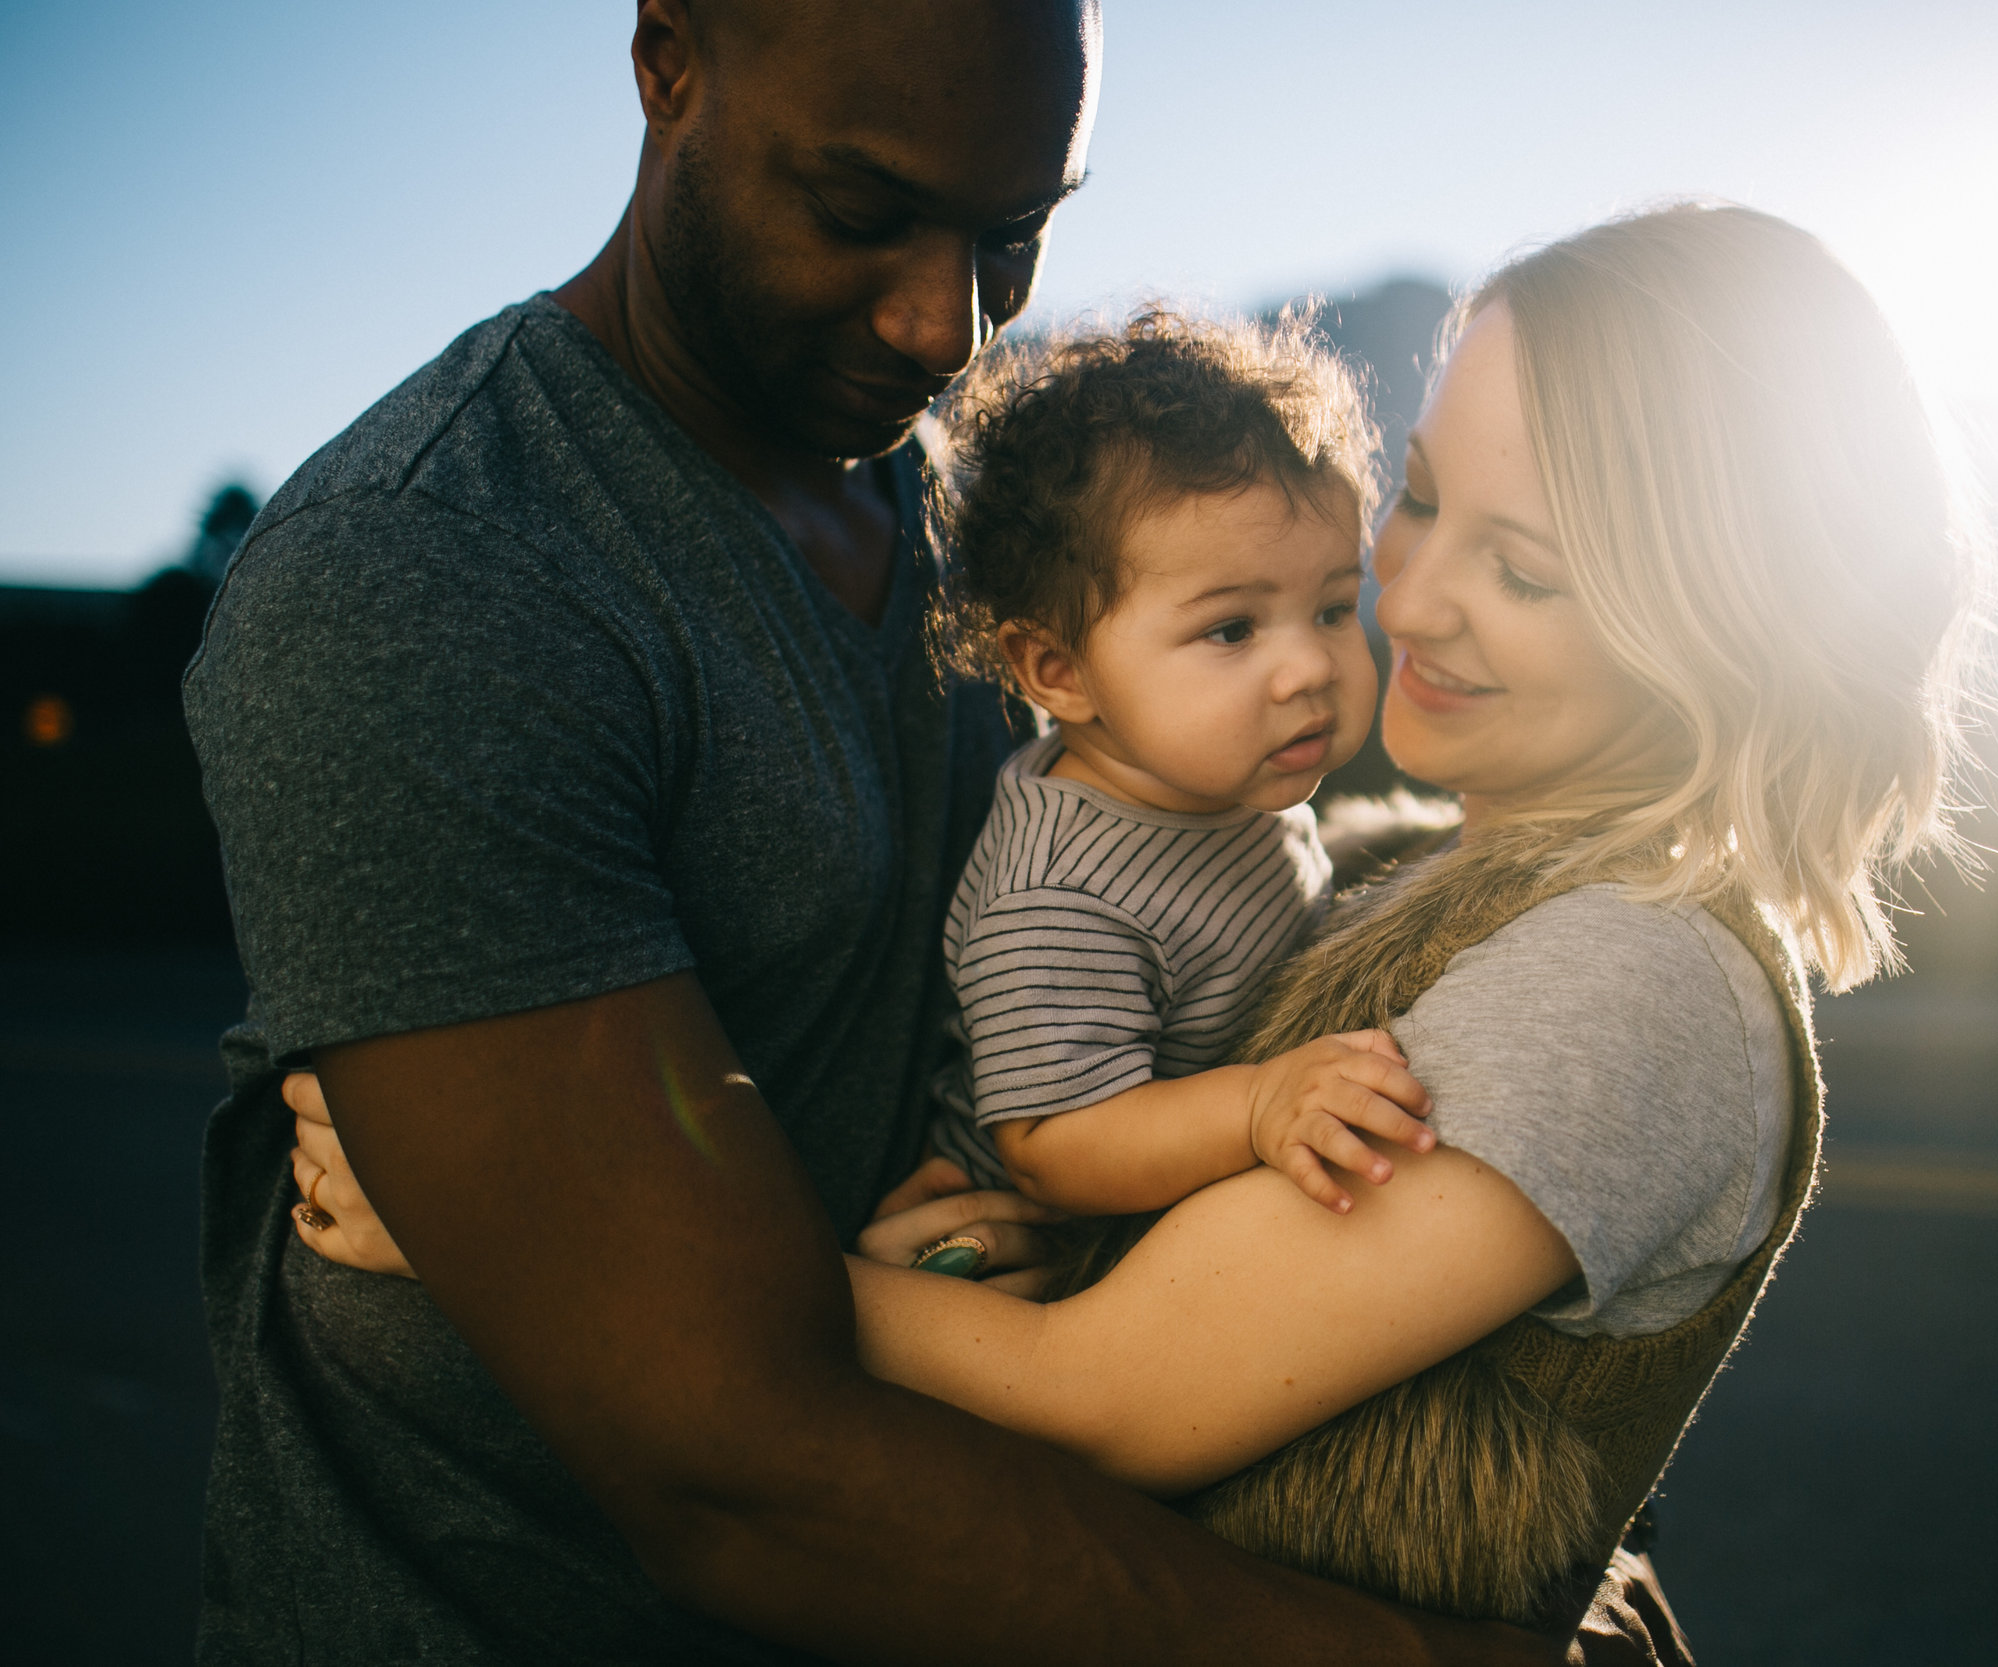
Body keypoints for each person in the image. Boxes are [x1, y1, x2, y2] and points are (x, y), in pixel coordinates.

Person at [287, 201, 1994, 1649]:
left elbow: (1105, 1391)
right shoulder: (1371, 862)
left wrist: (522, 1217)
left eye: (1528, 570)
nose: (1413, 599)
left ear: (1730, 623)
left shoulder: (1631, 980)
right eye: (1419, 502)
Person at [184, 1, 1582, 1662]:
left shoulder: (1003, 532)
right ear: (666, 60)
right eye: (859, 213)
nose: (943, 321)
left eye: (1013, 236)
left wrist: (998, 1234)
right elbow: (727, 1463)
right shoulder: (434, 577)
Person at [919, 307, 1442, 1216]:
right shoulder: (1059, 895)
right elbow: (1056, 1146)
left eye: (1329, 608)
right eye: (1232, 628)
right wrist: (1254, 1104)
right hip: (1045, 1244)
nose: (1312, 666)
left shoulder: (1216, 770)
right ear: (1060, 670)